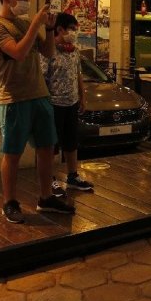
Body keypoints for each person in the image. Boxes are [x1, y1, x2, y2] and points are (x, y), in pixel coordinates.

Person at [0, 0, 75, 223]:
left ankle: (46, 198)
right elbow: (19, 52)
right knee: (12, 153)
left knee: (46, 149)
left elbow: (47, 52)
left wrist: (47, 27)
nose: (27, 2)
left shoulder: (27, 24)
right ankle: (9, 202)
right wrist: (36, 23)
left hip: (40, 94)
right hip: (13, 97)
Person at [41, 12, 94, 195]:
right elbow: (42, 78)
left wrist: (82, 97)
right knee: (52, 145)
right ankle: (51, 179)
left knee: (71, 142)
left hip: (71, 103)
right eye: (71, 29)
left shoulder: (74, 51)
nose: (74, 33)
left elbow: (78, 74)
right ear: (60, 29)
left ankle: (72, 176)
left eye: (75, 29)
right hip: (54, 104)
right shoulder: (48, 51)